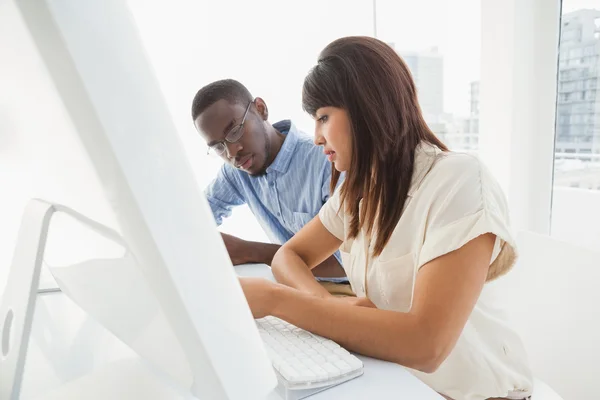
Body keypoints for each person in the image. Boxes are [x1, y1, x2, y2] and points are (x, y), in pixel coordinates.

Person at [239, 37, 533, 400]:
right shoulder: (359, 191)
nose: (316, 137)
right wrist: (325, 304)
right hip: (397, 381)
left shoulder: (458, 180)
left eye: (324, 117)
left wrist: (276, 300)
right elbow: (290, 256)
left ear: (367, 107)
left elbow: (426, 344)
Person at [191, 79, 347, 286]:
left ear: (261, 109)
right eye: (218, 147)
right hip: (298, 288)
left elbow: (343, 265)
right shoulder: (236, 173)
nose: (231, 152)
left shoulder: (326, 162)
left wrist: (247, 251)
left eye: (235, 131)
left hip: (351, 292)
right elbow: (193, 221)